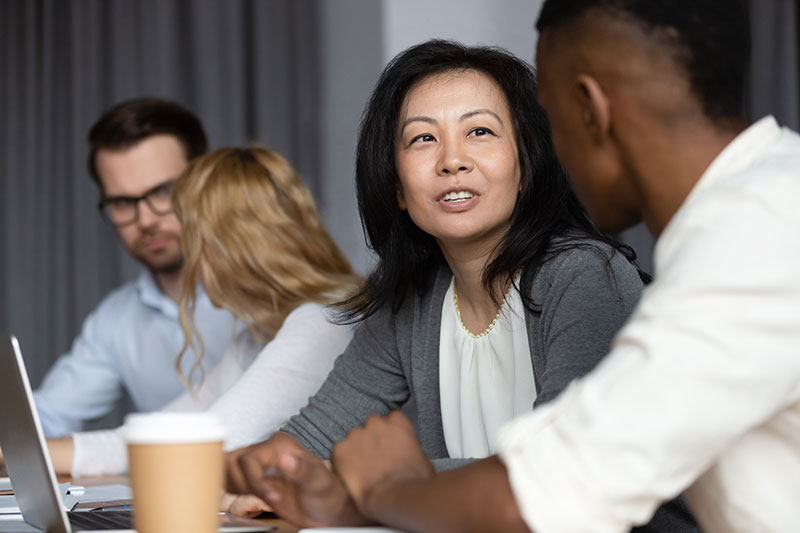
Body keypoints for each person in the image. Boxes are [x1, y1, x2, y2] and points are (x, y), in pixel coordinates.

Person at [278, 1, 800, 532]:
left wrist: (386, 486)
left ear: (590, 110)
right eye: (423, 138)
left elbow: (543, 499)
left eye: (545, 119)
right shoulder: (756, 211)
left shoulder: (751, 238)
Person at [227, 40, 693, 531]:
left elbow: (558, 473)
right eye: (423, 139)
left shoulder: (583, 276)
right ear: (397, 188)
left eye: (480, 131)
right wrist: (256, 475)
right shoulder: (413, 299)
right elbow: (309, 437)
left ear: (526, 166)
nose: (453, 160)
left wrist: (362, 483)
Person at [42, 147, 361, 489]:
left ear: (227, 248)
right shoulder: (252, 337)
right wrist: (18, 451)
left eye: (195, 239)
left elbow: (197, 449)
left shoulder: (321, 324)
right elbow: (160, 435)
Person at [32, 98, 240, 438]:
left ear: (205, 182)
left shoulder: (267, 293)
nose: (145, 221)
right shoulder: (115, 320)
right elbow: (47, 417)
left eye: (163, 191)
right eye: (123, 202)